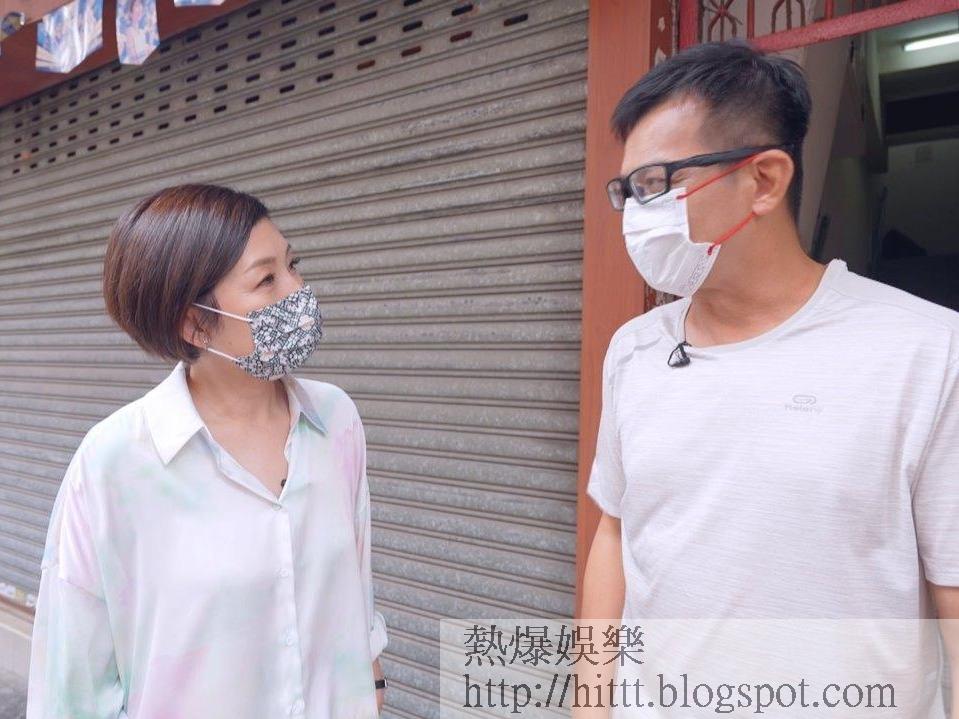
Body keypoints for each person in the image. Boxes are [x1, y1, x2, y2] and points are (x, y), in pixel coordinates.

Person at [581, 40, 958, 717]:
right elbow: (613, 530)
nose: (637, 215)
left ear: (763, 180)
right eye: (628, 191)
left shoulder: (927, 353)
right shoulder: (634, 350)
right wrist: (590, 703)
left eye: (657, 183)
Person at [26, 184, 388, 718]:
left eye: (293, 265)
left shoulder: (335, 420)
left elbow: (356, 586)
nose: (298, 291)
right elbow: (72, 681)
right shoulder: (115, 462)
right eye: (266, 279)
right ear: (195, 323)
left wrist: (372, 684)